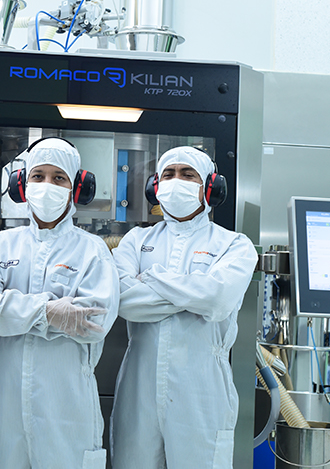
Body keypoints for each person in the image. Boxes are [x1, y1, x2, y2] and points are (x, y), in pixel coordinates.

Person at [0, 137, 120, 469]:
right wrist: (49, 312)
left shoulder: (92, 250)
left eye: (59, 178)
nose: (47, 185)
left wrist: (12, 312)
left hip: (66, 407)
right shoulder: (0, 245)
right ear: (22, 185)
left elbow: (94, 322)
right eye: (38, 176)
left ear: (76, 188)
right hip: (3, 406)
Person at [110, 146, 258, 469]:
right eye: (168, 175)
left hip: (202, 390)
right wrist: (193, 295)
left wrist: (153, 276)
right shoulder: (135, 240)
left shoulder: (234, 245)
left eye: (188, 175)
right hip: (139, 387)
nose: (176, 181)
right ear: (156, 187)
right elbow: (122, 301)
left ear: (209, 188)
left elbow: (217, 300)